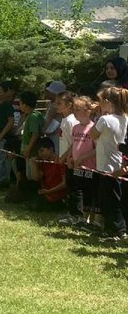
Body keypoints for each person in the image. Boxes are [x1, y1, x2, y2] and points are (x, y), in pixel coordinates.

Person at [92, 86, 128, 242]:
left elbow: (92, 134)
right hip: (118, 163)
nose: (98, 104)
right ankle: (112, 229)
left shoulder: (105, 120)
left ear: (107, 102)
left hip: (106, 165)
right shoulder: (125, 118)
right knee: (115, 199)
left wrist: (100, 115)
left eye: (100, 101)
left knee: (108, 201)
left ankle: (116, 230)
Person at [63, 96, 96, 225]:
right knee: (74, 191)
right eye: (74, 109)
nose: (75, 112)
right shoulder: (75, 127)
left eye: (78, 109)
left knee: (87, 193)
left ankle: (86, 218)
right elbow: (74, 144)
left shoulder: (93, 128)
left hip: (89, 167)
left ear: (88, 111)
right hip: (75, 166)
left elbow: (96, 149)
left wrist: (82, 158)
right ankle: (74, 215)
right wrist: (69, 157)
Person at [0, 82, 15, 188]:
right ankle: (1, 179)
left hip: (2, 137)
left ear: (5, 93)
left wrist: (2, 134)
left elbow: (11, 121)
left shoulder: (7, 105)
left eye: (0, 92)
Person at [33, 136, 67, 210]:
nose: (40, 154)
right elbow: (36, 178)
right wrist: (34, 165)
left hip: (58, 197)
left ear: (51, 149)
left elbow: (65, 183)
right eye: (38, 152)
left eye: (42, 151)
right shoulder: (44, 162)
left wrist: (49, 191)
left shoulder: (59, 162)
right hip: (47, 195)